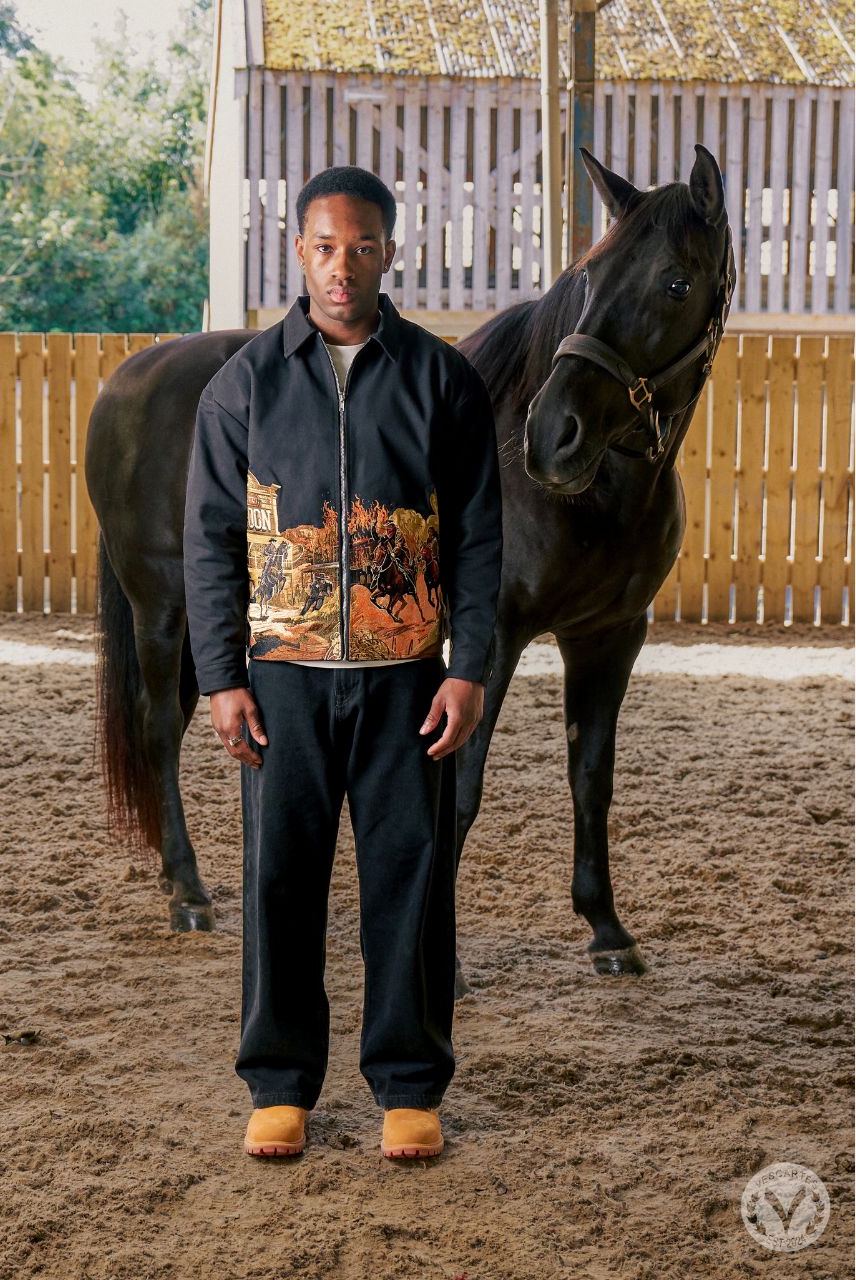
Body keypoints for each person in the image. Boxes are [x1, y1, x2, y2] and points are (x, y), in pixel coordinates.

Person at [184, 165, 502, 1160]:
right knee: (280, 880)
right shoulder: (245, 385)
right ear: (299, 252)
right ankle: (279, 1083)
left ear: (389, 254)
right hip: (282, 677)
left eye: (362, 247)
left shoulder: (441, 379)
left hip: (408, 680)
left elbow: (479, 536)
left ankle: (408, 1084)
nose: (342, 266)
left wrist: (468, 666)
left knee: (411, 878)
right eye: (325, 247)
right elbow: (210, 540)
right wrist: (221, 677)